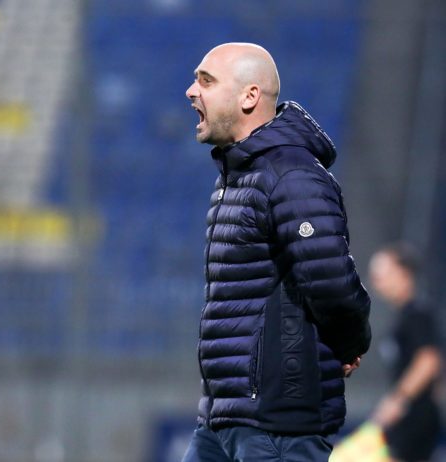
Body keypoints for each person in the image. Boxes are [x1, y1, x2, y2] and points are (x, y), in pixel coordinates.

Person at [182, 42, 372, 462]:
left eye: (206, 81)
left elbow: (332, 282)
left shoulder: (290, 174)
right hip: (224, 417)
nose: (191, 91)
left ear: (249, 96)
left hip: (277, 424)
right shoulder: (239, 175)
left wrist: (350, 342)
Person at [369, 242, 443, 462]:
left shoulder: (418, 313)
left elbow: (429, 360)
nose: (376, 281)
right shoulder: (402, 316)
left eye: (382, 274)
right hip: (407, 417)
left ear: (404, 273)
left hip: (415, 417)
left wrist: (398, 400)